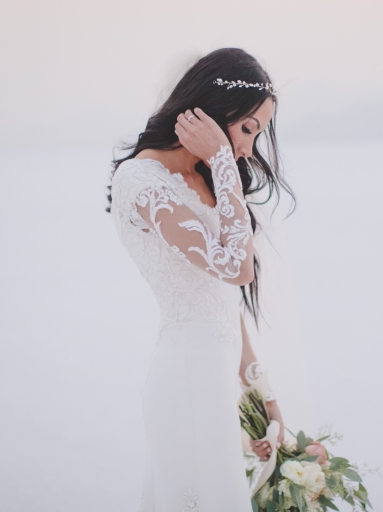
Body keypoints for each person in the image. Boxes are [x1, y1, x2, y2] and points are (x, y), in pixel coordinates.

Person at [108, 48, 294, 511]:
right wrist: (225, 165)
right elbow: (237, 268)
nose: (249, 148)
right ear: (212, 107)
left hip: (216, 379)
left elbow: (224, 300)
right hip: (185, 379)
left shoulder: (208, 177)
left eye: (258, 134)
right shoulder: (140, 181)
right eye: (247, 129)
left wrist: (259, 391)